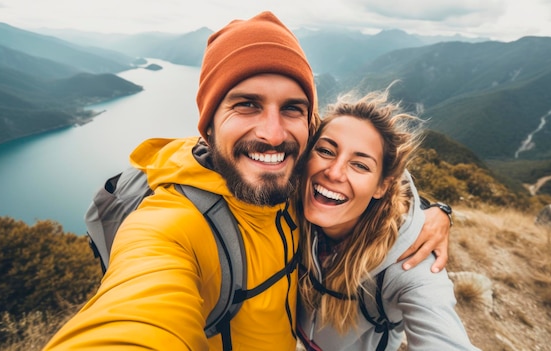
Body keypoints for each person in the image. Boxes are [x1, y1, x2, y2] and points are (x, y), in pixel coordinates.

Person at [43, 11, 451, 351]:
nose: (273, 134)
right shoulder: (171, 225)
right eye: (246, 104)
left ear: (307, 130)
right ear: (207, 127)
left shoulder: (296, 184)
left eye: (292, 109)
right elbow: (135, 313)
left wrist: (434, 212)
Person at [296, 87, 479, 350]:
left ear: (382, 186)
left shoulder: (408, 262)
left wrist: (440, 212)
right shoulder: (289, 209)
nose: (334, 173)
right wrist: (439, 210)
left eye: (360, 165)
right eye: (325, 151)